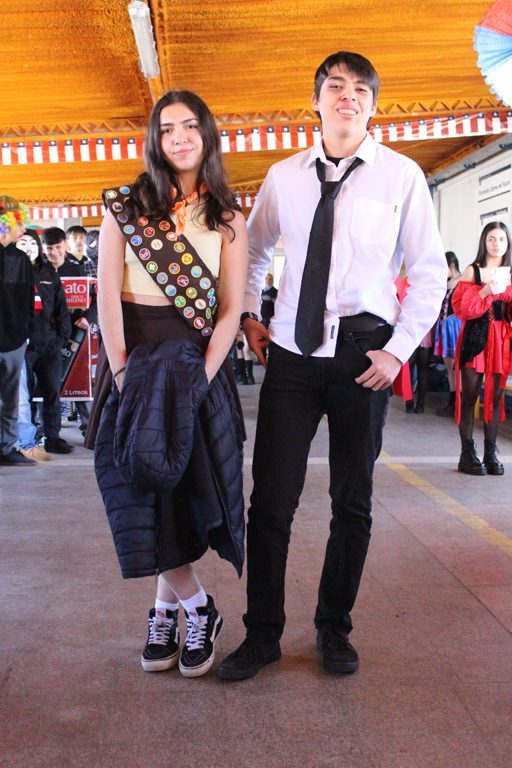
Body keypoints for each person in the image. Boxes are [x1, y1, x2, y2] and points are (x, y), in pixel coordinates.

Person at [218, 51, 446, 681]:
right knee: (271, 502)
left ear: (373, 106)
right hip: (291, 355)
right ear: (315, 100)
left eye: (362, 89)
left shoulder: (401, 177)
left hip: (362, 355)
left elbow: (429, 272)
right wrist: (249, 315)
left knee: (353, 502)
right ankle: (261, 634)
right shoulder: (283, 176)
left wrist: (398, 350)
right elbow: (254, 250)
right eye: (337, 86)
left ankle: (333, 627)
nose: (349, 95)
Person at [88, 89, 248, 678]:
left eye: (189, 126)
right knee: (132, 481)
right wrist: (121, 370)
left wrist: (203, 376)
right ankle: (198, 607)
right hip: (133, 360)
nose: (179, 137)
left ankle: (164, 612)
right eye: (167, 128)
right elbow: (107, 295)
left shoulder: (228, 217)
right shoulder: (124, 207)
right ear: (155, 140)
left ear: (206, 134)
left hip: (194, 364)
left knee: (179, 490)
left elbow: (229, 309)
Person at [452, 221, 512, 475]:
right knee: (470, 396)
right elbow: (461, 308)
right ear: (484, 242)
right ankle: (467, 454)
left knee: (496, 398)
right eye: (491, 239)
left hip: (501, 340)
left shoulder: (510, 273)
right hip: (476, 337)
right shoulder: (472, 271)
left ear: (508, 243)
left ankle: (490, 452)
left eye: (501, 239)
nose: (496, 244)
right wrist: (484, 291)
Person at [17, 229, 73, 457]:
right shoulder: (12, 271)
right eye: (23, 243)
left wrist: (60, 339)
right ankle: (27, 440)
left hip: (49, 343)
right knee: (25, 396)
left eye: (32, 243)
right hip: (22, 344)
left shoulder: (48, 272)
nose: (28, 247)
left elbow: (62, 308)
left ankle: (53, 437)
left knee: (52, 392)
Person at [41, 227, 96, 438]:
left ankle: (89, 428)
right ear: (43, 248)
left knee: (79, 378)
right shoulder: (37, 271)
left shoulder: (78, 270)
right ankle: (43, 429)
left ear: (65, 244)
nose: (54, 252)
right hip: (46, 335)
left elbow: (97, 298)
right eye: (50, 248)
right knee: (45, 384)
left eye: (58, 247)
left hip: (76, 333)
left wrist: (88, 317)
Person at [0, 195, 36, 466]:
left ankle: (6, 447)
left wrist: (25, 333)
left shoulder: (20, 258)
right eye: (19, 223)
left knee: (12, 400)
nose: (23, 230)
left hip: (14, 340)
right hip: (13, 337)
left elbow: (27, 300)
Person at [435, 251, 462, 417]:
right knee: (449, 368)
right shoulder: (445, 284)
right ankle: (452, 403)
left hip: (456, 327)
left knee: (457, 368)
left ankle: (459, 404)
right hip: (444, 327)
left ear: (451, 265)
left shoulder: (463, 282)